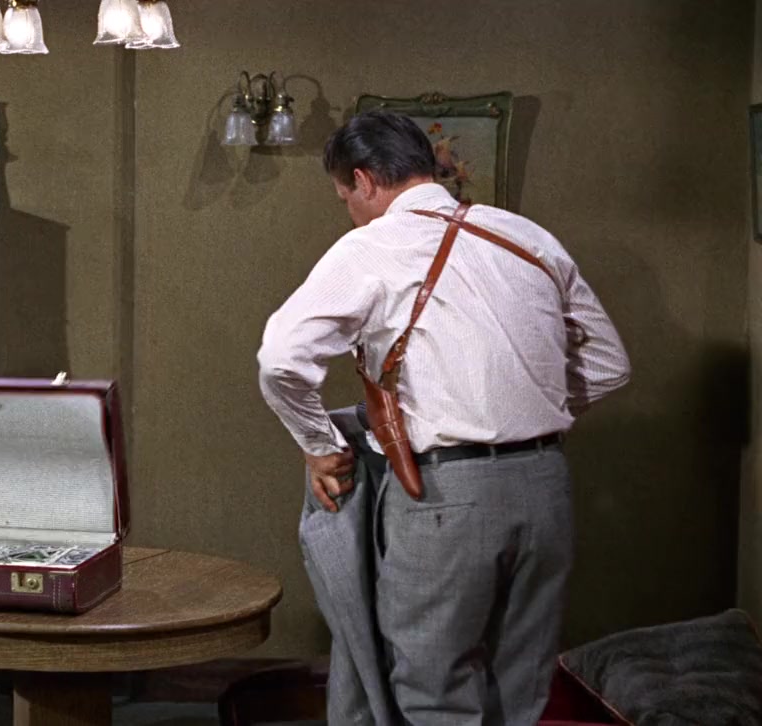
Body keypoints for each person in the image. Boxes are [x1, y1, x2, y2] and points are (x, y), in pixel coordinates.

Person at [257, 110, 630, 724]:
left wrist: (320, 445)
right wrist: (524, 409)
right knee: (521, 690)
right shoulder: (528, 236)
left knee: (434, 692)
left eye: (345, 198)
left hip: (446, 496)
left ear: (363, 180)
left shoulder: (371, 246)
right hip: (546, 486)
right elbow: (609, 364)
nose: (349, 211)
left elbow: (280, 360)